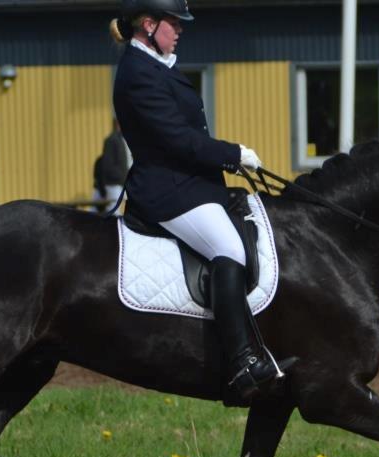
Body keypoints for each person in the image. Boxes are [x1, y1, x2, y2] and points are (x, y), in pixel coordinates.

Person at [110, 0, 295, 402]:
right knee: (228, 249)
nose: (179, 30)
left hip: (192, 183)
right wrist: (233, 152)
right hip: (167, 190)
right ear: (148, 23)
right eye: (173, 23)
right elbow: (177, 139)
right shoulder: (137, 73)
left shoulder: (157, 65)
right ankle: (241, 362)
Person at [94, 119, 129, 213]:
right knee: (114, 210)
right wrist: (119, 176)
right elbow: (107, 164)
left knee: (120, 209)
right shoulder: (111, 140)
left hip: (123, 182)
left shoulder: (123, 139)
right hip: (114, 183)